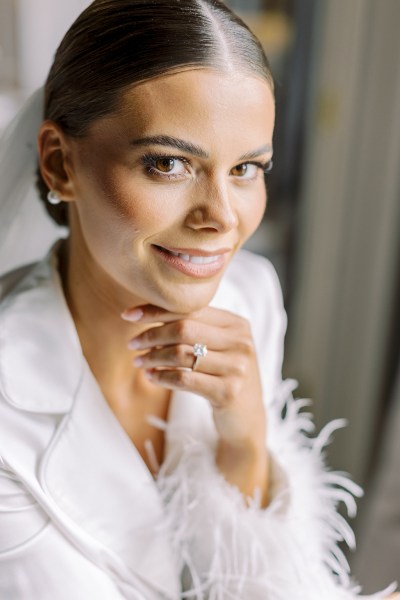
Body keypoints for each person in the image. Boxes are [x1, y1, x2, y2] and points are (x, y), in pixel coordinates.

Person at [0, 1, 397, 598]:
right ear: (61, 163)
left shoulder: (250, 297)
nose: (223, 219)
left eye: (246, 168)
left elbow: (251, 578)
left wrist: (244, 438)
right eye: (168, 163)